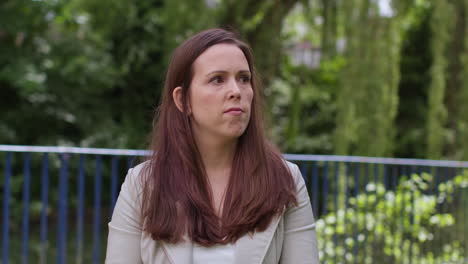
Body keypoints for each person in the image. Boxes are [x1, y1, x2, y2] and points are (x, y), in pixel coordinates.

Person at [105, 28, 319, 264]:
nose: (236, 91)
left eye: (243, 79)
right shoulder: (142, 185)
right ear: (183, 100)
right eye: (217, 79)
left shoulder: (285, 179)